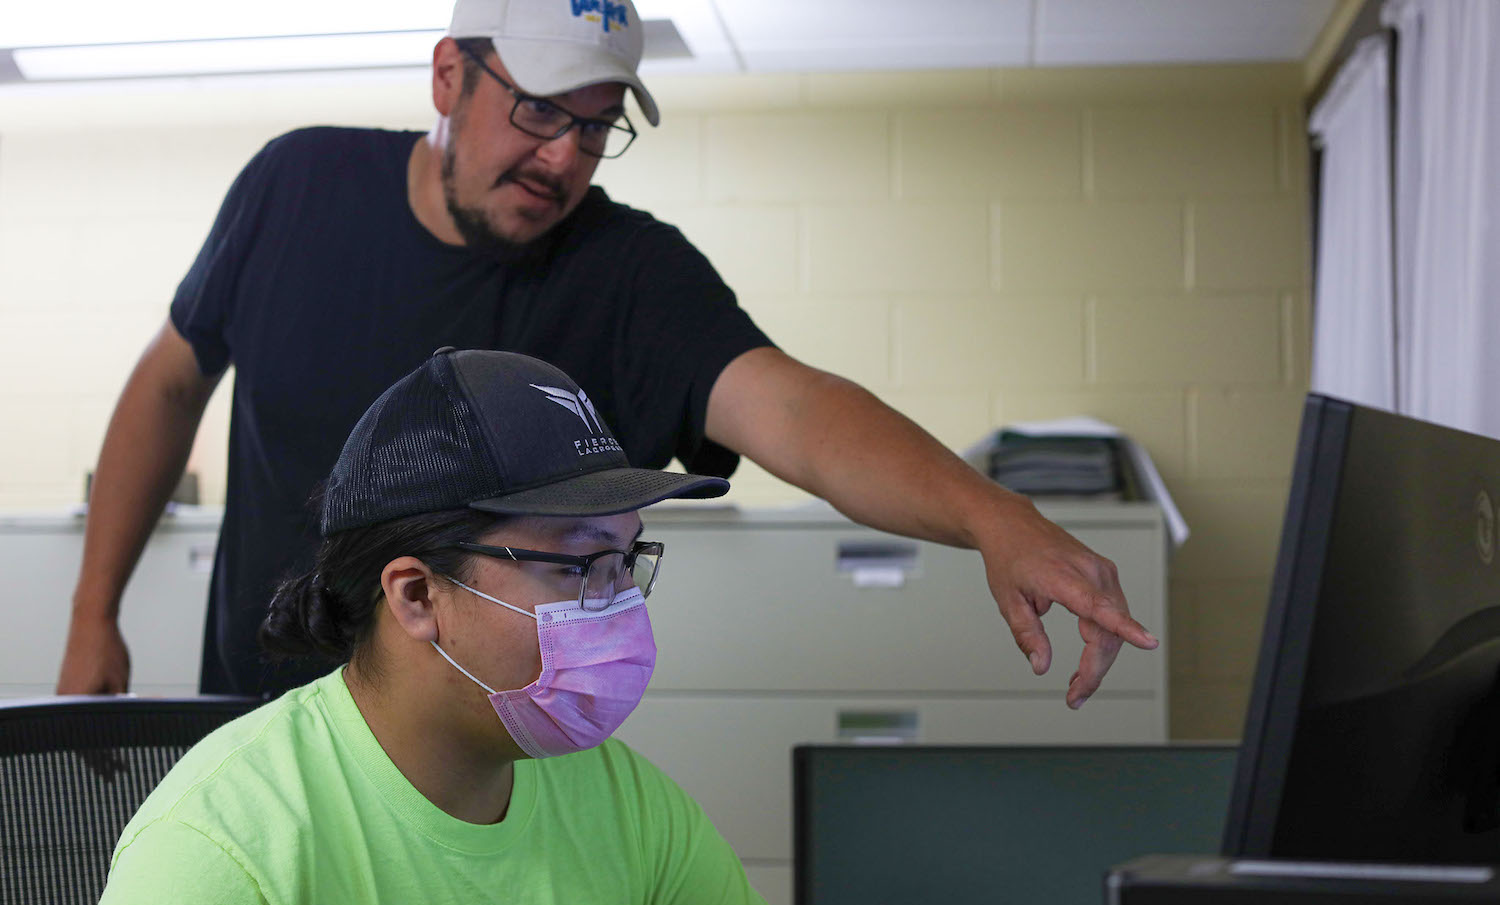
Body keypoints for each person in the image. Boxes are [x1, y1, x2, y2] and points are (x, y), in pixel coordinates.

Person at [56, 0, 1156, 706]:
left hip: (491, 765)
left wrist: (992, 514)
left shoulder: (631, 275)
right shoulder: (294, 190)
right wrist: (93, 609)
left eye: (595, 127)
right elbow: (169, 381)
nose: (562, 157)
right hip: (263, 723)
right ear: (450, 77)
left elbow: (798, 413)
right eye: (538, 112)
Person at [65, 349, 838, 905]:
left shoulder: (626, 806)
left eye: (625, 560)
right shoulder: (225, 844)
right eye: (578, 563)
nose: (618, 606)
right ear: (416, 594)